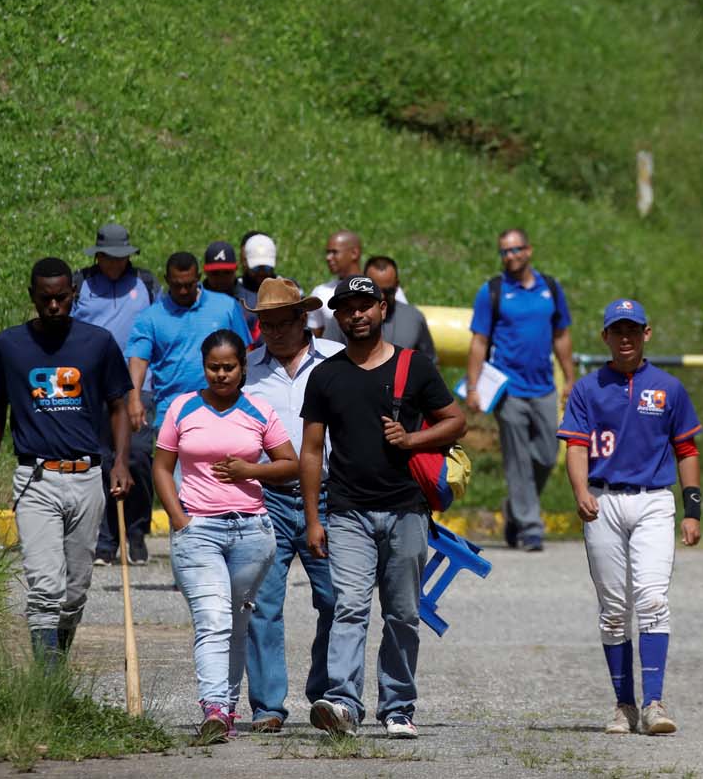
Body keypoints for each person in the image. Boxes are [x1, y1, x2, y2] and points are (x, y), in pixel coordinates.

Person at [299, 276, 467, 739]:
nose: (356, 314)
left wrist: (413, 438)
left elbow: (457, 422)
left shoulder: (416, 367)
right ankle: (343, 705)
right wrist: (314, 519)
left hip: (407, 510)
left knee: (402, 614)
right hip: (347, 511)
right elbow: (311, 451)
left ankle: (397, 707)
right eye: (346, 307)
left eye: (364, 305)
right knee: (349, 606)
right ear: (336, 315)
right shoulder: (326, 375)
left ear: (383, 308)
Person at [0, 258, 134, 664]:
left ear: (73, 294)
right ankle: (46, 682)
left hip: (87, 477)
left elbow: (119, 405)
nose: (54, 306)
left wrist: (120, 462)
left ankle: (56, 665)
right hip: (36, 478)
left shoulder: (97, 343)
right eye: (45, 298)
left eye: (62, 297)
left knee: (75, 590)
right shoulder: (9, 346)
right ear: (32, 297)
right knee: (45, 585)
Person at [558, 299, 703, 736]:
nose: (625, 338)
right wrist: (581, 490)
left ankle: (654, 702)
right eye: (617, 331)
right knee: (614, 610)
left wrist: (692, 510)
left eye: (633, 330)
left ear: (647, 334)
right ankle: (624, 706)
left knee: (653, 599)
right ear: (605, 336)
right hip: (603, 500)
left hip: (655, 499)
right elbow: (577, 446)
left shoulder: (669, 388)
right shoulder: (587, 388)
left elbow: (687, 449)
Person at [152, 330, 299, 743]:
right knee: (214, 618)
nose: (221, 375)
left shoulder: (258, 409)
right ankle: (214, 707)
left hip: (252, 531)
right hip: (198, 531)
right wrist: (179, 519)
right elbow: (162, 467)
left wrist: (250, 472)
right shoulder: (183, 408)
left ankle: (228, 708)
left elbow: (289, 464)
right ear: (204, 367)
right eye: (213, 367)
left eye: (229, 367)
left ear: (243, 367)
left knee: (236, 620)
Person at [242, 279, 344, 734]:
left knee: (335, 599)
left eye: (283, 323)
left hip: (328, 498)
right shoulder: (246, 370)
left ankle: (325, 694)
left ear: (304, 319)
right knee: (263, 604)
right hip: (264, 498)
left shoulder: (338, 362)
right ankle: (267, 706)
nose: (275, 332)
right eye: (266, 324)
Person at [466, 229, 575, 552]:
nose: (510, 256)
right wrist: (473, 387)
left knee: (547, 454)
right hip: (508, 388)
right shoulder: (493, 291)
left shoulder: (551, 289)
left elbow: (562, 336)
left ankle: (514, 509)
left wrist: (569, 378)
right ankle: (530, 527)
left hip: (544, 387)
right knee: (517, 460)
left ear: (529, 250)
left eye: (515, 250)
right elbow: (479, 342)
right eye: (504, 252)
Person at [70, 224, 159, 567]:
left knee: (136, 457)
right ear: (99, 256)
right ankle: (106, 541)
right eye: (110, 258)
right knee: (103, 460)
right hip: (92, 388)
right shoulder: (81, 285)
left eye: (123, 258)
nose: (116, 264)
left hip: (139, 386)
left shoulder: (146, 284)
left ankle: (135, 531)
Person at [127, 252, 252, 435]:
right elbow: (138, 359)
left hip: (226, 410)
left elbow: (246, 353)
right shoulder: (150, 317)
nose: (183, 291)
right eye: (177, 285)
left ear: (199, 278)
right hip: (173, 413)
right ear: (167, 280)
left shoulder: (226, 306)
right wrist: (134, 398)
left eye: (189, 284)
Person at [366, 255, 435, 364]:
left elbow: (430, 364)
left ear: (397, 285)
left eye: (388, 291)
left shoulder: (414, 318)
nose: (382, 296)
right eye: (376, 291)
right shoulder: (347, 319)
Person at [308, 230, 365, 344]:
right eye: (327, 253)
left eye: (334, 252)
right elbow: (315, 340)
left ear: (354, 253)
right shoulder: (320, 293)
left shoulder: (379, 287)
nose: (328, 258)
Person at [237, 232, 281, 342]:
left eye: (266, 268)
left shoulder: (287, 287)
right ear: (245, 262)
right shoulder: (234, 289)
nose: (261, 273)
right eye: (256, 268)